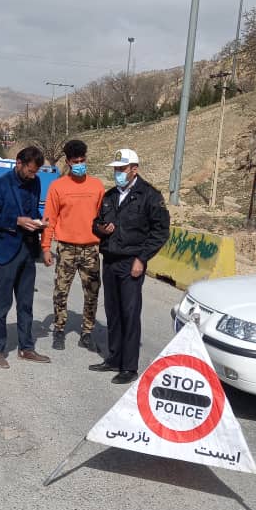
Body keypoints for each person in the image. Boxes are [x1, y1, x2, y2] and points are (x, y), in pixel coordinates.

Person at [90, 148, 170, 385]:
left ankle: (129, 366)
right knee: (113, 312)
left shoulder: (150, 196)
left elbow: (160, 232)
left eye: (122, 169)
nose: (118, 173)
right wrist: (100, 229)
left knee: (130, 314)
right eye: (115, 169)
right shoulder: (110, 195)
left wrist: (142, 258)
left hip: (131, 263)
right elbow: (96, 223)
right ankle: (114, 358)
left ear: (134, 169)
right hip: (111, 260)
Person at [0, 145, 51, 368]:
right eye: (31, 170)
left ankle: (26, 348)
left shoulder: (36, 183)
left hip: (27, 250)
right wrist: (16, 221)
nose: (34, 175)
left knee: (26, 303)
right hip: (6, 250)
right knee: (2, 303)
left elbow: (32, 212)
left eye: (36, 172)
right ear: (19, 163)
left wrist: (39, 223)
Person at [42, 139, 105, 351]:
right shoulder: (57, 186)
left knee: (93, 292)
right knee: (61, 290)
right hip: (66, 248)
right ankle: (59, 330)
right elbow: (49, 218)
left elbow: (103, 218)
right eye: (75, 161)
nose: (80, 164)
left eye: (82, 160)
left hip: (91, 249)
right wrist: (45, 247)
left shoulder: (97, 186)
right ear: (68, 162)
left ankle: (87, 332)